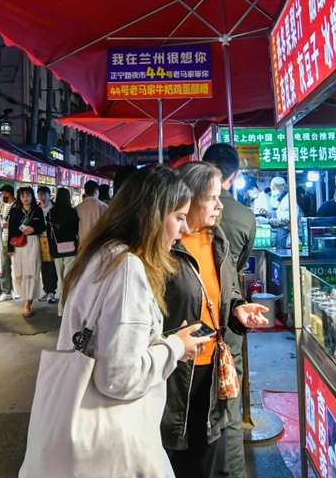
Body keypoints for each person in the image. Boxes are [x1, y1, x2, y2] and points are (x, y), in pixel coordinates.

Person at [51, 165, 211, 476]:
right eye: (178, 218)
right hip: (113, 444)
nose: (183, 230)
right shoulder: (127, 270)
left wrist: (166, 342)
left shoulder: (104, 253)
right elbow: (118, 377)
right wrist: (176, 347)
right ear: (152, 216)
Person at [162, 162, 269, 477]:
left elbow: (227, 293)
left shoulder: (218, 240)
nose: (221, 205)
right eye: (212, 198)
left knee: (214, 455)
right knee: (179, 457)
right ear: (190, 199)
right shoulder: (165, 247)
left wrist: (237, 309)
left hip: (216, 368)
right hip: (178, 372)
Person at [202, 143, 257, 477]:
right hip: (228, 315)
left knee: (210, 398)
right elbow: (240, 263)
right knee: (228, 398)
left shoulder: (194, 214)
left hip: (212, 315)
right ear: (233, 176)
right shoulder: (244, 216)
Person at [7, 186, 46, 318]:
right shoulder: (15, 211)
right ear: (19, 197)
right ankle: (24, 296)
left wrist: (33, 229)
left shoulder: (37, 210)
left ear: (32, 196)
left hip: (33, 242)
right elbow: (11, 230)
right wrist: (9, 248)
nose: (25, 198)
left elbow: (42, 226)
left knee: (32, 270)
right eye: (23, 196)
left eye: (28, 195)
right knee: (19, 270)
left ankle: (27, 303)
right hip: (18, 244)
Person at [46, 188, 80, 317]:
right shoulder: (72, 212)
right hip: (71, 248)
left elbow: (49, 234)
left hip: (56, 249)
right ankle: (66, 306)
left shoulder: (51, 213)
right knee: (68, 278)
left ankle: (60, 308)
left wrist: (50, 249)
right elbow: (76, 230)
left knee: (60, 278)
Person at [264, 176, 299, 249]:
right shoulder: (276, 198)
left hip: (286, 231)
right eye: (272, 187)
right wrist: (267, 213)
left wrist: (267, 221)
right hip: (278, 230)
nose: (272, 189)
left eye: (275, 186)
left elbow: (284, 221)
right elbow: (277, 214)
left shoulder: (288, 200)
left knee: (282, 251)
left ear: (282, 187)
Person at [37, 186, 58, 304]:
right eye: (40, 194)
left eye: (45, 194)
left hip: (52, 240)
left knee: (52, 266)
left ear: (50, 195)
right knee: (43, 266)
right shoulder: (36, 209)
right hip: (39, 240)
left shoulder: (55, 208)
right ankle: (46, 289)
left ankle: (52, 291)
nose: (43, 197)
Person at [0, 184, 17, 302]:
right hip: (4, 238)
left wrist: (8, 225)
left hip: (15, 240)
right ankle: (6, 291)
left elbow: (20, 223)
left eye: (2, 193)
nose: (1, 196)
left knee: (16, 265)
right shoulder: (4, 206)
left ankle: (18, 289)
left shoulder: (17, 206)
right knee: (4, 265)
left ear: (7, 193)